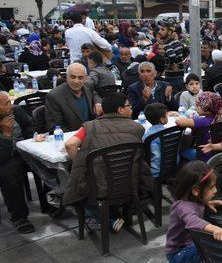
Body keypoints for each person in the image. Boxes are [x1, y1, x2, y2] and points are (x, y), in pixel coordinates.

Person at [62, 92, 148, 228]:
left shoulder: (90, 126)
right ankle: (115, 214)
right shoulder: (138, 128)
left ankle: (107, 219)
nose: (131, 109)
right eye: (129, 106)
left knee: (72, 183)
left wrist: (81, 163)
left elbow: (70, 145)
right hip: (130, 184)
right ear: (120, 110)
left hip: (99, 188)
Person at [0, 91, 36, 233]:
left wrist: (33, 139)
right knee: (8, 174)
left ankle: (53, 201)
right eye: (6, 103)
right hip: (5, 158)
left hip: (23, 151)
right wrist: (6, 134)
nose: (11, 105)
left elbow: (29, 126)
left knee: (45, 161)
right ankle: (19, 217)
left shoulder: (16, 111)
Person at [45, 63, 95, 132]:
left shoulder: (88, 90)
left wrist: (98, 102)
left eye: (80, 77)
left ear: (86, 78)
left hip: (90, 134)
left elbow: (96, 95)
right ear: (66, 76)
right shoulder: (54, 96)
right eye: (73, 77)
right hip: (69, 138)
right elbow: (55, 127)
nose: (76, 81)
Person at [175, 92, 222, 161]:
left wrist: (192, 119)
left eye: (198, 105)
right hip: (220, 154)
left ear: (207, 110)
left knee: (182, 151)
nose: (196, 107)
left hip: (205, 155)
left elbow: (179, 121)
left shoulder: (202, 121)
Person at [142, 102, 169, 178]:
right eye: (167, 115)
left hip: (155, 172)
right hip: (172, 166)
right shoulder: (171, 132)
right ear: (162, 119)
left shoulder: (147, 136)